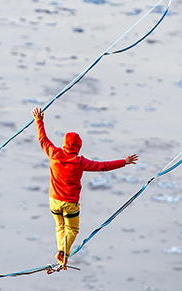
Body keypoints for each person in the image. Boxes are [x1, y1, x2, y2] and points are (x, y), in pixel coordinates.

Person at [32, 107, 137, 271]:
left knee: (60, 227)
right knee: (72, 229)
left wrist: (39, 121)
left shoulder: (54, 153)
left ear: (64, 143)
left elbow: (43, 140)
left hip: (53, 201)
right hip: (69, 203)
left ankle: (62, 254)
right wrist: (124, 162)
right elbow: (102, 166)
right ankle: (62, 252)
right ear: (78, 146)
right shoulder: (79, 161)